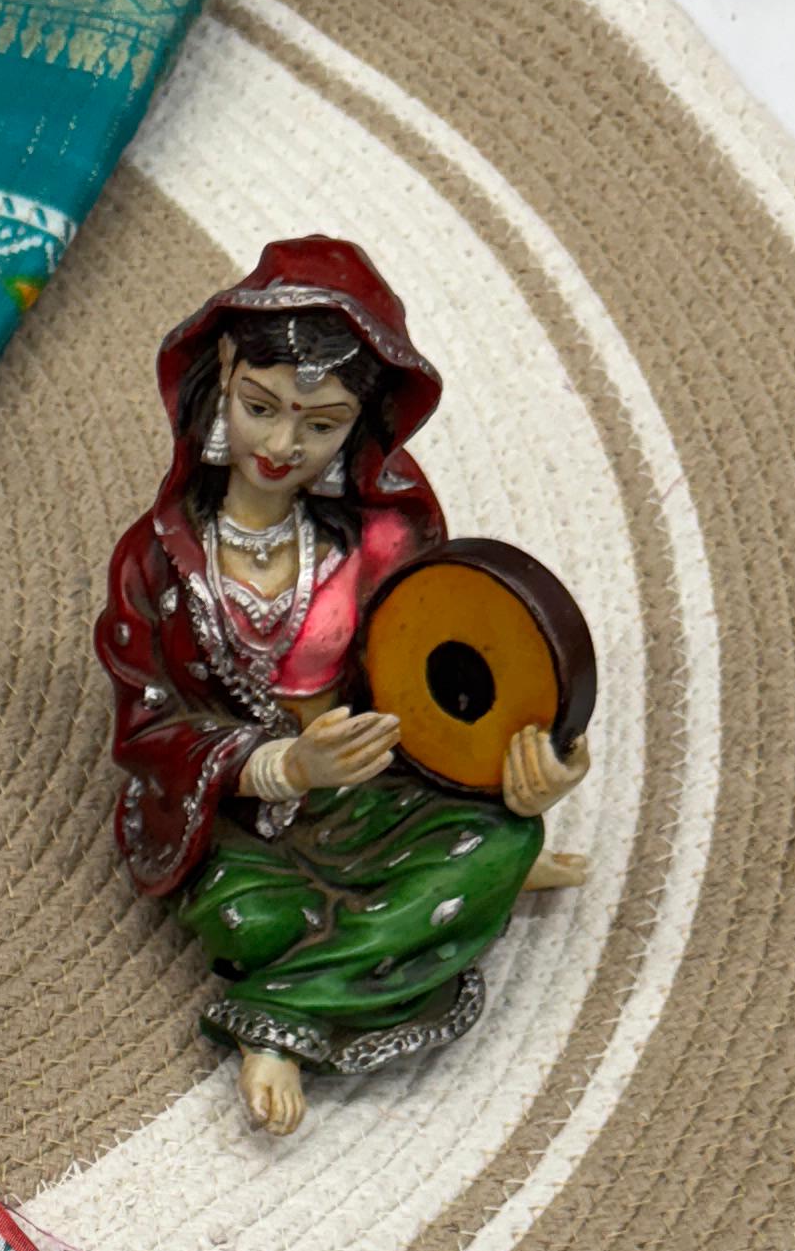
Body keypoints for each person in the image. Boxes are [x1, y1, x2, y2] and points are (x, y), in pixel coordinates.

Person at [94, 233, 587, 1134]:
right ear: (220, 380)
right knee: (251, 924)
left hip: (379, 795)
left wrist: (525, 765)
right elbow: (145, 723)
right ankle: (422, 924)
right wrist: (283, 766)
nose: (284, 445)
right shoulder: (156, 560)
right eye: (261, 408)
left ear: (359, 428)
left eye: (320, 425)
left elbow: (454, 680)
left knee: (504, 837)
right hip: (240, 821)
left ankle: (275, 1016)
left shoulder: (384, 543)